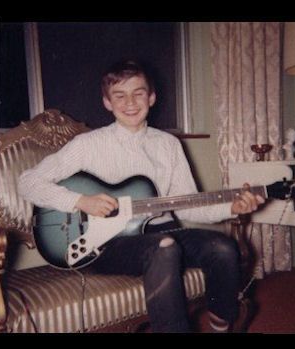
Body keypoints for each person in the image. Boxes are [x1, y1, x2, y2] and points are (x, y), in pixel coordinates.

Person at [19, 60, 265, 333]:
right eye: (119, 96)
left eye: (138, 93)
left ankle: (221, 325)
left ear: (151, 97)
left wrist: (232, 207)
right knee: (164, 246)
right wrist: (80, 201)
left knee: (223, 247)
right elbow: (27, 183)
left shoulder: (168, 144)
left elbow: (188, 205)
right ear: (107, 102)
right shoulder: (88, 145)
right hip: (109, 244)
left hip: (165, 231)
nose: (130, 103)